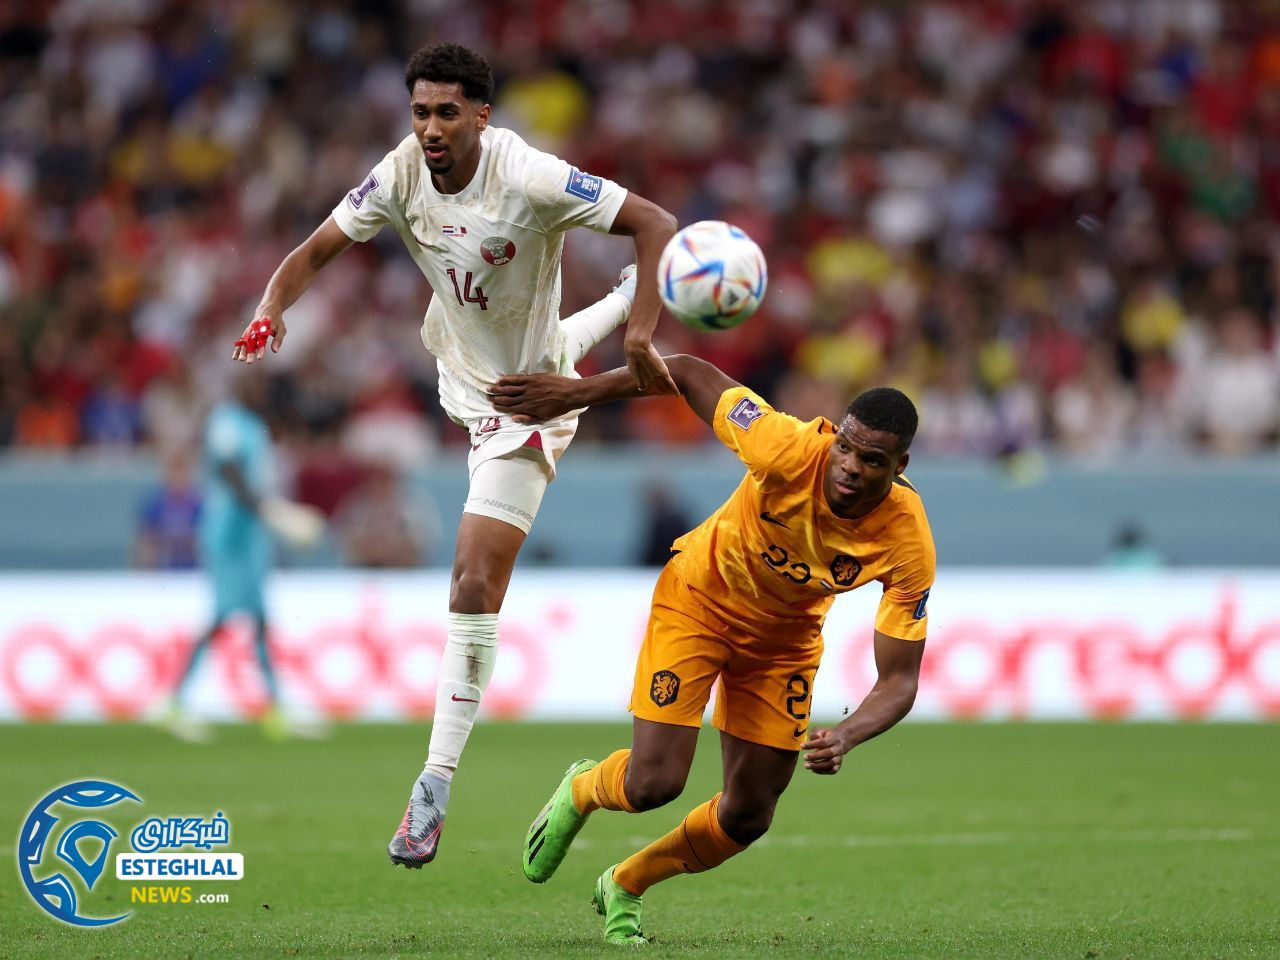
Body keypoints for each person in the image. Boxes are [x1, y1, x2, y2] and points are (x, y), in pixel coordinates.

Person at [230, 42, 678, 868]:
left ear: (481, 115)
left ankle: (433, 784)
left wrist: (645, 328)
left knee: (473, 580)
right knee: (543, 348)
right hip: (464, 367)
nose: (430, 128)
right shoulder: (400, 172)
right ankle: (613, 301)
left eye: (445, 113)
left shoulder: (529, 176)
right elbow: (315, 251)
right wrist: (272, 306)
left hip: (527, 404)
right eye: (419, 112)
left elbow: (656, 221)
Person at [487, 354, 934, 944]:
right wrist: (578, 393)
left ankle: (625, 883)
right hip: (699, 601)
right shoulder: (785, 446)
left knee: (750, 813)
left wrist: (847, 734)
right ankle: (583, 788)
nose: (849, 466)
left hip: (784, 645)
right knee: (653, 784)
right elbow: (691, 373)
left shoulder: (907, 540)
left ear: (899, 465)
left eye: (871, 460)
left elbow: (899, 679)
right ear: (836, 433)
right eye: (846, 447)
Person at [162, 375, 324, 743]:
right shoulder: (227, 420)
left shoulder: (253, 425)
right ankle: (174, 703)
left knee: (260, 619)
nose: (260, 390)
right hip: (228, 534)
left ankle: (274, 709)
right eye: (253, 385)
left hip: (250, 535)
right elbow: (227, 470)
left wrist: (265, 514)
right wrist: (266, 509)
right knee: (223, 616)